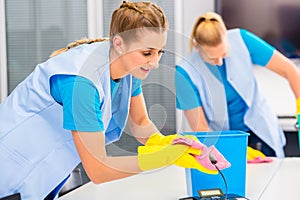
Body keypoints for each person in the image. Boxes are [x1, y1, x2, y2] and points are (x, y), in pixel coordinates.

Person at [0, 2, 229, 200]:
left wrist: (172, 144)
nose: (155, 62)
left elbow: (140, 122)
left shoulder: (129, 69)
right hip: (11, 172)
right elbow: (98, 170)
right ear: (119, 43)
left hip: (42, 172)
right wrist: (161, 159)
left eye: (160, 52)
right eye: (147, 53)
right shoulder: (80, 84)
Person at [175, 12, 300, 158]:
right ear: (197, 47)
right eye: (213, 58)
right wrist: (235, 151)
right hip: (222, 141)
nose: (220, 62)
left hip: (262, 133)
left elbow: (290, 70)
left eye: (224, 54)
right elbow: (201, 128)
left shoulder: (242, 40)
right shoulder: (184, 74)